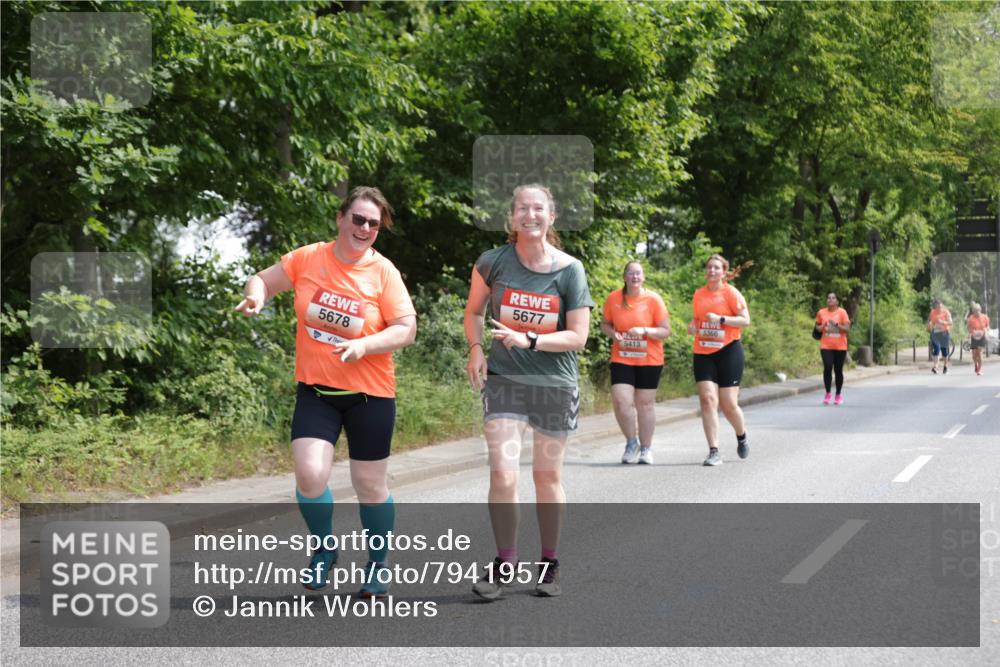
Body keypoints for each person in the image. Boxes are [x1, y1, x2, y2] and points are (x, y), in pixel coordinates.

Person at [234, 186, 416, 599]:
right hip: (317, 390)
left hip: (371, 394)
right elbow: (263, 279)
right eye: (358, 219)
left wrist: (365, 345)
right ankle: (323, 549)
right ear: (341, 218)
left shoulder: (384, 272)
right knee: (310, 475)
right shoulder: (309, 257)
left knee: (370, 486)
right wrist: (255, 296)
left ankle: (378, 563)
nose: (365, 228)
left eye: (373, 223)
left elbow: (406, 329)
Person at [464, 184, 593, 600]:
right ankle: (505, 563)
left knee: (546, 476)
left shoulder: (569, 269)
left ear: (551, 217)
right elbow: (473, 311)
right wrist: (476, 349)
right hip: (505, 384)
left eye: (539, 208)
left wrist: (531, 341)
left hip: (554, 385)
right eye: (522, 208)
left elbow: (578, 337)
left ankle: (550, 563)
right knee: (502, 473)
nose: (530, 215)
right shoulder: (492, 262)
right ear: (512, 216)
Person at [600, 261, 671, 464]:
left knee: (645, 405)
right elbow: (605, 324)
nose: (635, 277)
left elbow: (666, 330)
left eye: (638, 273)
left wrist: (644, 330)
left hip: (649, 359)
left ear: (644, 277)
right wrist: (613, 335)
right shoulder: (614, 299)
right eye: (630, 273)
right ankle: (632, 442)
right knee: (622, 401)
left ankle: (646, 449)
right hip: (622, 356)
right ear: (624, 277)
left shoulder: (654, 300)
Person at [687, 254, 751, 466]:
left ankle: (741, 436)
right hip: (703, 351)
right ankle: (713, 450)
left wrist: (722, 319)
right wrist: (693, 326)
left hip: (729, 351)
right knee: (707, 400)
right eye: (709, 268)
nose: (712, 271)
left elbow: (745, 320)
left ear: (724, 272)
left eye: (716, 268)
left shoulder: (731, 293)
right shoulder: (699, 294)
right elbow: (697, 319)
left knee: (729, 404)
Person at [814, 292, 851, 405]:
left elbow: (847, 329)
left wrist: (836, 325)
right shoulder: (821, 312)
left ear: (837, 301)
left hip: (840, 346)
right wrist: (822, 326)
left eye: (833, 298)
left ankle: (838, 395)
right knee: (828, 367)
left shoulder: (842, 313)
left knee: (838, 370)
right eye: (828, 298)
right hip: (826, 345)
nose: (830, 299)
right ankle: (828, 393)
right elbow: (817, 327)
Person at [928, 299, 953, 374]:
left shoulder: (946, 312)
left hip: (944, 333)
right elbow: (930, 321)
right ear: (935, 306)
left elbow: (951, 322)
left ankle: (945, 366)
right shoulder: (932, 312)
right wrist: (929, 325)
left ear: (942, 305)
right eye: (937, 306)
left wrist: (943, 322)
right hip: (935, 333)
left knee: (944, 351)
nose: (939, 308)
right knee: (936, 349)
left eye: (940, 306)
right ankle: (935, 366)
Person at [966, 302, 990, 376]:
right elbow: (969, 328)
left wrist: (985, 331)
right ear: (973, 311)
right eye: (975, 310)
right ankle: (976, 364)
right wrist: (971, 332)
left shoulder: (985, 317)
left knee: (979, 353)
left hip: (982, 336)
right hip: (974, 337)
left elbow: (987, 326)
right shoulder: (971, 318)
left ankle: (980, 369)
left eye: (978, 310)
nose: (977, 312)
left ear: (980, 310)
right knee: (974, 355)